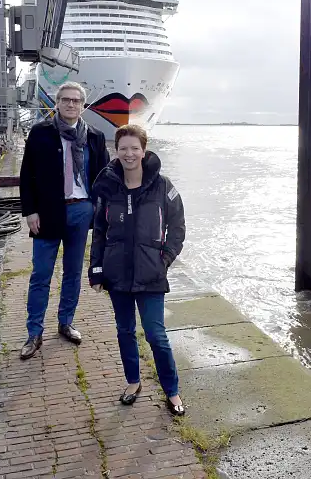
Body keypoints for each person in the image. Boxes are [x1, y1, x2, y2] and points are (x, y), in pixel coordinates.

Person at [89, 124, 187, 416]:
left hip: (150, 274)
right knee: (124, 331)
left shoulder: (163, 186)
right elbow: (99, 230)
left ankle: (172, 391)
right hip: (117, 273)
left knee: (156, 335)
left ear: (144, 151)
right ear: (116, 151)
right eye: (123, 148)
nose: (129, 154)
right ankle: (133, 382)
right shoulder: (107, 186)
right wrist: (96, 269)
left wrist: (164, 258)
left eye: (135, 148)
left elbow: (178, 227)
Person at [19, 81, 110, 358]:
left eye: (76, 100)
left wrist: (99, 210)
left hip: (81, 210)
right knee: (41, 274)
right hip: (47, 212)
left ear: (83, 105)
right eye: (66, 100)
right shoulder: (41, 133)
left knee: (72, 272)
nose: (71, 104)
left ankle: (66, 322)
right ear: (57, 103)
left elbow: (104, 176)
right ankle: (34, 333)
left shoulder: (94, 136)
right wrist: (30, 211)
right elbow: (27, 174)